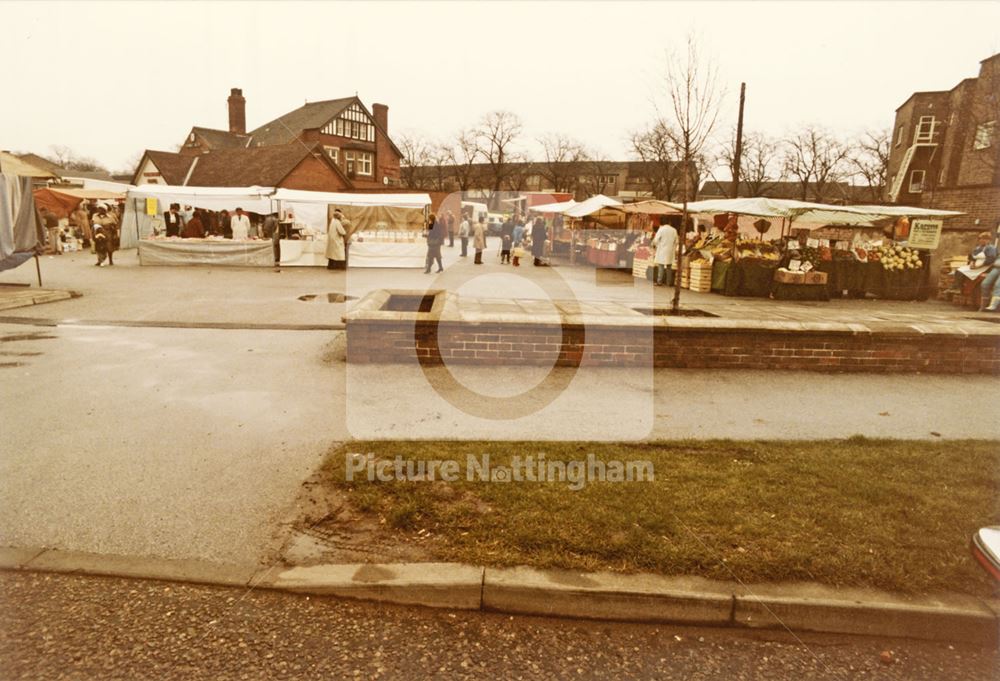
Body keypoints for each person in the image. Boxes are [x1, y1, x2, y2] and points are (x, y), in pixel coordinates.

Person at [972, 231, 1000, 311]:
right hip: (996, 267)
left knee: (998, 285)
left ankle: (993, 305)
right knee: (985, 283)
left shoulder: (991, 248)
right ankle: (983, 305)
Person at [651, 217, 679, 286]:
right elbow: (677, 241)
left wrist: (655, 245)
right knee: (669, 266)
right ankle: (669, 282)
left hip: (662, 250)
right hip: (670, 250)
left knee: (661, 265)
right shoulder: (674, 230)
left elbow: (656, 240)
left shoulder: (661, 229)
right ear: (669, 222)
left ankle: (659, 281)